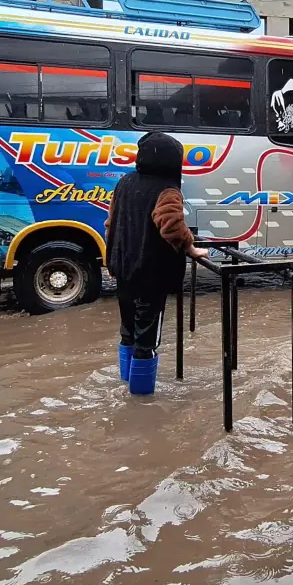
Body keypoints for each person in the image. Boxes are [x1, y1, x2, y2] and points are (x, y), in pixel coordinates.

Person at [105, 132, 208, 396]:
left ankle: (125, 385)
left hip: (124, 269)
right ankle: (140, 402)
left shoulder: (124, 183)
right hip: (152, 275)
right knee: (147, 340)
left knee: (128, 330)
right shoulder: (167, 190)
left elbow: (111, 223)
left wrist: (113, 259)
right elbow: (171, 226)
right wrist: (191, 247)